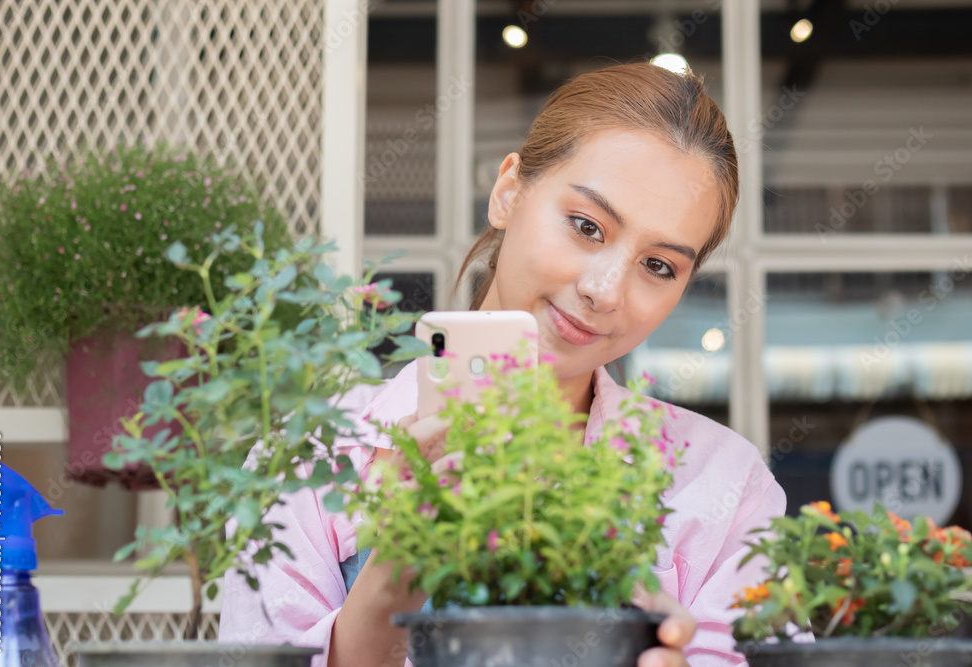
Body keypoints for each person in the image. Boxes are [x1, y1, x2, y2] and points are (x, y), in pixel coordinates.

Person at [219, 62, 786, 667]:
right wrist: (392, 576)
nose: (604, 289)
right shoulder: (316, 455)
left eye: (658, 266)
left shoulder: (723, 484)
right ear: (508, 192)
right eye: (586, 226)